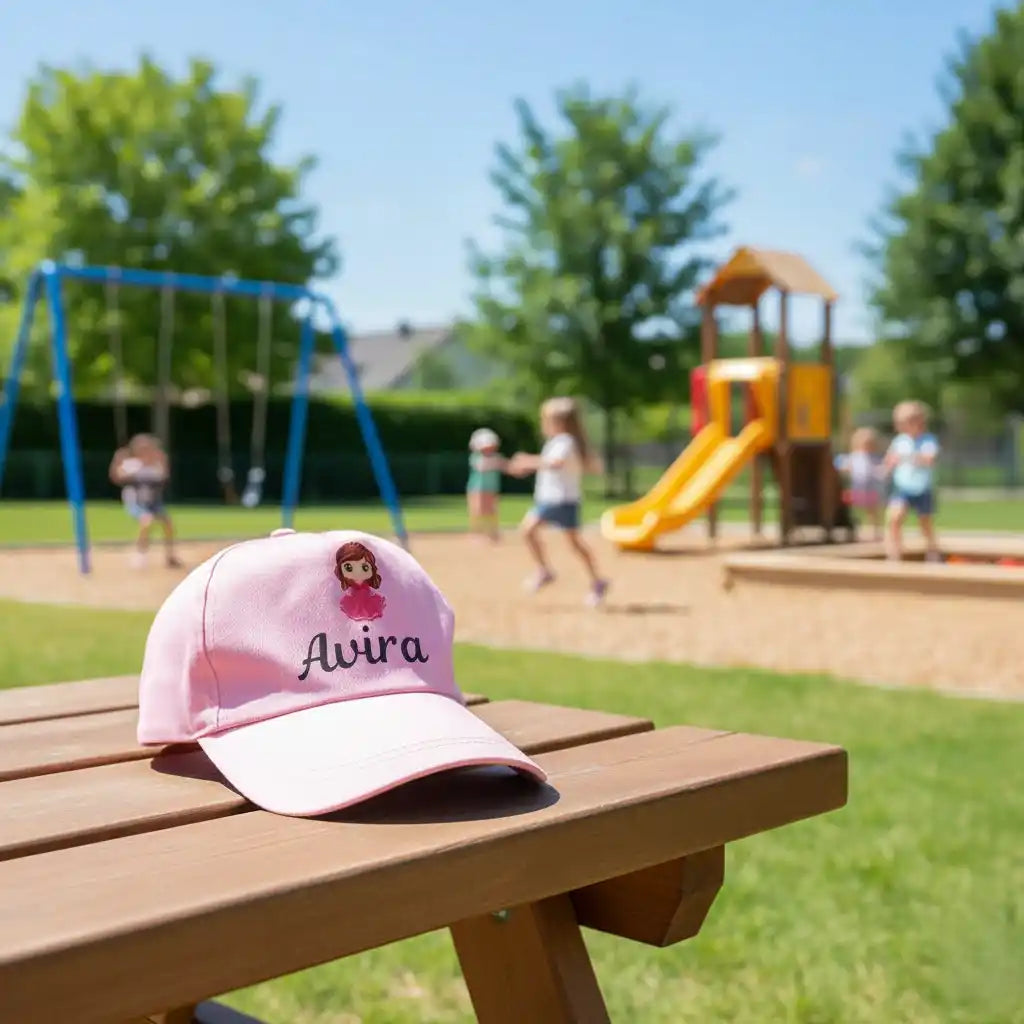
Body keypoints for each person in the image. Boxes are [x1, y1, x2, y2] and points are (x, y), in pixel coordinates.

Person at [506, 396, 609, 607]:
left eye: (547, 420)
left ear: (560, 423)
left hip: (559, 500)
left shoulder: (565, 441)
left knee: (528, 530)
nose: (544, 425)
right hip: (557, 499)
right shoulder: (559, 442)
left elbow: (555, 463)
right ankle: (596, 581)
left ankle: (546, 571)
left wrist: (527, 462)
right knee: (573, 543)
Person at [109, 433, 183, 569]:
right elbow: (117, 477)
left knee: (168, 523)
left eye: (149, 448)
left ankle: (170, 556)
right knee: (146, 521)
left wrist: (163, 461)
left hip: (154, 503)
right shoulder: (131, 464)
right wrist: (117, 461)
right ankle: (140, 555)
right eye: (143, 448)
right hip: (136, 502)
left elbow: (164, 477)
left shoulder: (156, 465)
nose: (146, 451)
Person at [884, 400, 941, 562]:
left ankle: (933, 551)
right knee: (894, 518)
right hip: (903, 487)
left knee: (925, 523)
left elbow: (929, 459)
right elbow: (889, 459)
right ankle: (894, 553)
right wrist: (886, 468)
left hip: (922, 488)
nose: (902, 426)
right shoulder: (899, 441)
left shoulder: (928, 440)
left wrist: (909, 456)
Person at [834, 427, 887, 540]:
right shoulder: (854, 457)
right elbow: (842, 465)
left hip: (871, 487)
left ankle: (875, 530)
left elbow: (881, 469)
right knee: (856, 510)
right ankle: (859, 529)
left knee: (872, 509)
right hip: (858, 488)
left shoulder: (875, 457)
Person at [466, 427, 506, 542]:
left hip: (492, 487)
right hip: (477, 488)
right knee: (477, 509)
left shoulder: (496, 457)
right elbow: (482, 467)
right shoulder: (476, 458)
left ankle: (492, 532)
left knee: (491, 509)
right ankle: (477, 532)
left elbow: (505, 466)